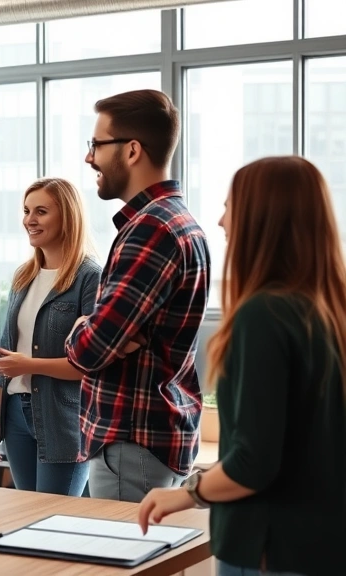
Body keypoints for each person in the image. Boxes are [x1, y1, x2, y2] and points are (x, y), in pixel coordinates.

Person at [138, 156, 346, 576]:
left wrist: (186, 493)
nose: (220, 221)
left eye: (231, 206)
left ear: (261, 219)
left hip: (268, 547)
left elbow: (254, 462)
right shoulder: (330, 313)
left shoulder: (264, 315)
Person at [65, 89, 210, 502]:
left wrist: (81, 326)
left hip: (132, 445)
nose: (89, 157)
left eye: (96, 144)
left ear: (131, 151)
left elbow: (90, 350)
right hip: (148, 441)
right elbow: (110, 340)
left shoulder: (152, 229)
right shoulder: (178, 221)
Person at [0, 178, 100, 496]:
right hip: (16, 418)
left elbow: (89, 364)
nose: (29, 220)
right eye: (26, 211)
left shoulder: (90, 277)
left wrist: (29, 365)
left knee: (55, 521)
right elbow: (6, 358)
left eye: (41, 211)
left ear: (67, 216)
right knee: (27, 520)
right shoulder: (23, 276)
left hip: (63, 420)